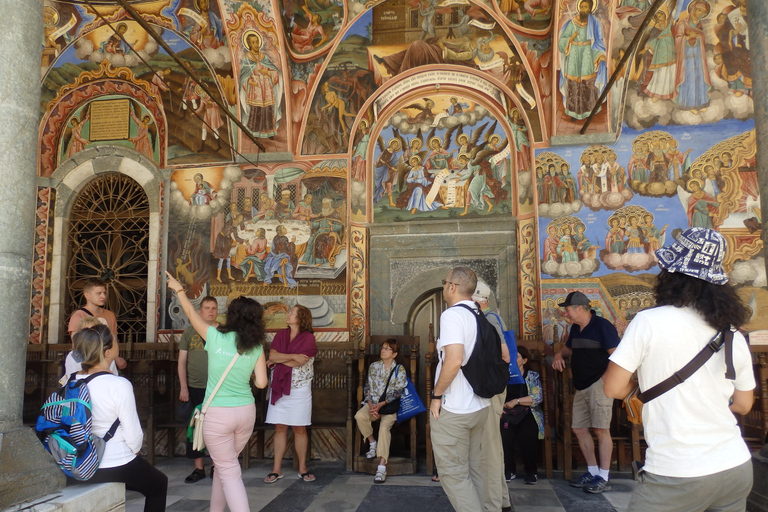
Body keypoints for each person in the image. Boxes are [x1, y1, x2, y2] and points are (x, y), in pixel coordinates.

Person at [603, 227, 755, 511]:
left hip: (678, 472)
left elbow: (613, 387)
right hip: (735, 467)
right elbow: (744, 404)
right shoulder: (731, 331)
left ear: (671, 274)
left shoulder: (649, 322)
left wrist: (638, 391)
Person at [166, 272, 268, 512]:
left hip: (218, 415)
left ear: (232, 316)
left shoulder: (214, 336)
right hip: (245, 412)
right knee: (226, 467)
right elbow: (262, 383)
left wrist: (179, 289)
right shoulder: (256, 346)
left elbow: (191, 314)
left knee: (229, 470)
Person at [74, 325, 168, 512]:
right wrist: (135, 450)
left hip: (78, 463)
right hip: (115, 463)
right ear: (108, 352)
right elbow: (134, 436)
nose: (119, 343)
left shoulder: (72, 382)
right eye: (116, 340)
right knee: (159, 485)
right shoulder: (119, 384)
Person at [430, 267, 491, 512]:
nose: (444, 287)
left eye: (445, 283)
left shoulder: (452, 315)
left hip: (456, 407)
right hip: (479, 405)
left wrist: (436, 396)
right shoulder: (478, 313)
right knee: (475, 469)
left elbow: (454, 360)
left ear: (452, 287)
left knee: (453, 474)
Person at [552, 291, 619, 494]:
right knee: (579, 429)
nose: (566, 313)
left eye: (568, 309)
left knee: (600, 430)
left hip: (599, 385)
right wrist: (558, 354)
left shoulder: (602, 326)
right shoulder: (576, 329)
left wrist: (605, 379)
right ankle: (592, 471)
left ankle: (604, 477)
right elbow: (568, 349)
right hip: (581, 386)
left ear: (580, 308)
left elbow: (617, 356)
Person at [264, 304, 318, 483]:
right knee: (279, 427)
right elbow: (272, 356)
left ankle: (302, 468)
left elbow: (301, 363)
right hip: (280, 387)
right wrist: (293, 356)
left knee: (299, 428)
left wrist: (282, 358)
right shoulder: (281, 335)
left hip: (299, 389)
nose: (288, 314)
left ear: (301, 317)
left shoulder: (308, 337)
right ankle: (276, 469)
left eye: (292, 313)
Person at [471, 281, 511, 512]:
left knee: (489, 447)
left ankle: (492, 504)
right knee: (491, 445)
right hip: (490, 386)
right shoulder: (490, 318)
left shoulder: (489, 319)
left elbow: (504, 355)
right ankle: (501, 500)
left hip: (490, 388)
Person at [354, 338, 407, 484]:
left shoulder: (399, 369)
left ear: (394, 354)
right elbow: (367, 388)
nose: (383, 350)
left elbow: (398, 392)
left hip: (389, 407)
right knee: (359, 416)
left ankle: (381, 467)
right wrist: (371, 405)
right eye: (383, 347)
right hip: (373, 405)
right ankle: (372, 443)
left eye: (388, 349)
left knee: (384, 428)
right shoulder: (373, 366)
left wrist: (381, 405)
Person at [178, 296, 218, 483]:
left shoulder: (223, 332)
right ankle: (198, 468)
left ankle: (217, 466)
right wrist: (184, 387)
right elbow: (182, 362)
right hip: (194, 387)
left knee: (218, 428)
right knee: (195, 428)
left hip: (217, 388)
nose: (210, 311)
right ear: (200, 311)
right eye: (207, 308)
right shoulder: (189, 332)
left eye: (214, 308)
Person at [501, 346, 543, 485]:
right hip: (506, 413)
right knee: (505, 437)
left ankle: (531, 472)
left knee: (527, 436)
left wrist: (516, 401)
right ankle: (509, 470)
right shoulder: (504, 374)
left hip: (527, 412)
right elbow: (496, 395)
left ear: (524, 360)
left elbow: (537, 397)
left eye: (517, 357)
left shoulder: (532, 376)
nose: (513, 359)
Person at [557, 0, 607, 120]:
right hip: (574, 54)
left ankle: (589, 111)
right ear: (579, 8)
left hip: (587, 53)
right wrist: (570, 38)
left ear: (590, 8)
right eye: (582, 7)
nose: (584, 9)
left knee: (587, 83)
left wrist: (599, 54)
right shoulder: (572, 22)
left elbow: (598, 39)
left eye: (586, 7)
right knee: (573, 84)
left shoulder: (594, 22)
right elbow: (562, 40)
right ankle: (574, 113)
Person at [68, 279, 127, 370]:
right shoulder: (78, 316)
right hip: (86, 363)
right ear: (87, 295)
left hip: (107, 361)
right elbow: (76, 344)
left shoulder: (110, 315)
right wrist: (80, 367)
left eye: (104, 293)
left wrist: (116, 358)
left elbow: (113, 340)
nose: (103, 296)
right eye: (98, 293)